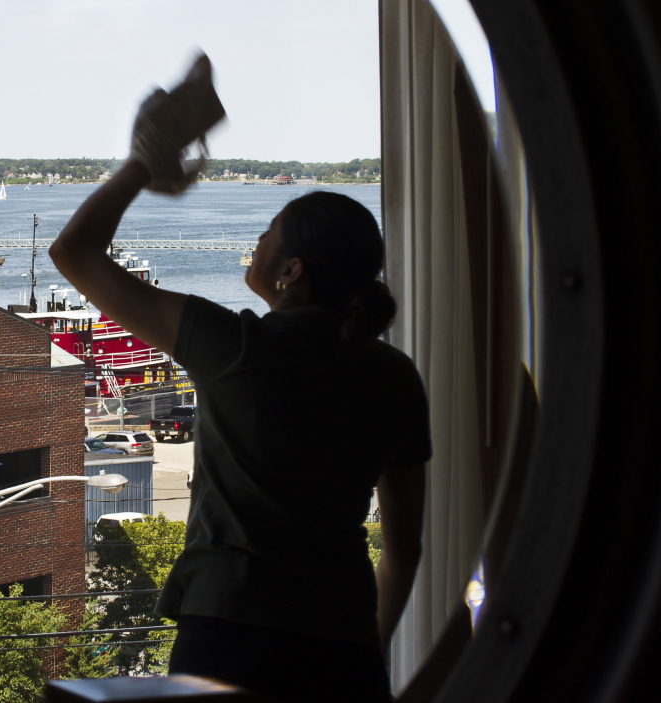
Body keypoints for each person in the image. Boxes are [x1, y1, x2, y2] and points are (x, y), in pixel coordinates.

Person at [49, 54, 429, 702]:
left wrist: (147, 160)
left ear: (292, 271)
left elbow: (74, 251)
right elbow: (405, 547)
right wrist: (371, 645)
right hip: (343, 646)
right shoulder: (396, 377)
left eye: (268, 233)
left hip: (226, 633)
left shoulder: (234, 345)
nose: (256, 240)